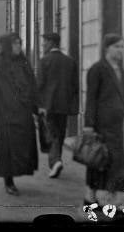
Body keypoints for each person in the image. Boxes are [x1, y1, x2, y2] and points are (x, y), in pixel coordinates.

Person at [0, 32, 40, 196]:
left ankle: (17, 172)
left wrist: (37, 108)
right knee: (6, 149)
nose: (18, 47)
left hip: (23, 113)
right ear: (8, 45)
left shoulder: (23, 61)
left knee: (23, 146)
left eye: (19, 43)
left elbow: (32, 85)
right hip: (5, 114)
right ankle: (9, 181)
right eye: (15, 44)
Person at [83, 34, 124, 206]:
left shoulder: (119, 70)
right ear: (107, 48)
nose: (121, 50)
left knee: (113, 162)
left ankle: (100, 198)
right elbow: (91, 99)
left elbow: (118, 96)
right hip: (101, 125)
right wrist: (89, 125)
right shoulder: (97, 69)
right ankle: (93, 198)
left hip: (117, 125)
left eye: (122, 46)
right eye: (117, 47)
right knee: (98, 160)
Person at [36, 32, 79, 179]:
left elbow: (39, 85)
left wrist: (38, 105)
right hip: (64, 105)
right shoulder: (70, 61)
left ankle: (55, 161)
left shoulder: (44, 61)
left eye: (45, 42)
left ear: (52, 43)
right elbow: (75, 86)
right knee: (59, 134)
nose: (43, 45)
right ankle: (56, 161)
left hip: (48, 106)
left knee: (51, 134)